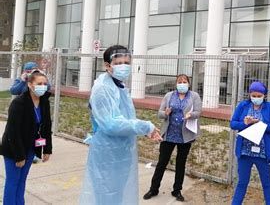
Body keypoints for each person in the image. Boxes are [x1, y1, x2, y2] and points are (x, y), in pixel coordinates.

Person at [79, 45, 162, 205]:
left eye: (126, 62)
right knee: (106, 195)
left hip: (121, 151)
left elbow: (125, 118)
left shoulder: (119, 86)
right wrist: (144, 127)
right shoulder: (102, 89)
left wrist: (146, 131)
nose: (124, 66)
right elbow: (111, 124)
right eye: (118, 63)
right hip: (107, 152)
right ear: (107, 65)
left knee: (117, 194)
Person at [144, 74, 202, 202]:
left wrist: (191, 114)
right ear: (176, 84)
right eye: (179, 81)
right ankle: (154, 189)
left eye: (184, 81)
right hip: (169, 134)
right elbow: (159, 113)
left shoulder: (194, 96)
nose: (182, 84)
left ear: (188, 83)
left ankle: (177, 190)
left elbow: (198, 112)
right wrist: (165, 113)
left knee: (180, 164)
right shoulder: (169, 96)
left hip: (185, 136)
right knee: (162, 163)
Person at [1, 71, 52, 205]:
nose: (43, 86)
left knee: (22, 179)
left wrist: (47, 149)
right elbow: (13, 132)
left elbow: (46, 125)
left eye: (45, 84)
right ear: (30, 85)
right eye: (39, 84)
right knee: (13, 181)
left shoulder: (44, 101)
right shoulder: (19, 103)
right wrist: (19, 156)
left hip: (30, 146)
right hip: (14, 148)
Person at [230, 81, 270, 205]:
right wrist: (245, 124)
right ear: (250, 94)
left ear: (264, 95)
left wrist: (260, 124)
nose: (256, 98)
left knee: (266, 183)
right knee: (242, 182)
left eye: (259, 96)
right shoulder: (243, 106)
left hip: (263, 153)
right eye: (254, 95)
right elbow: (233, 124)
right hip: (245, 152)